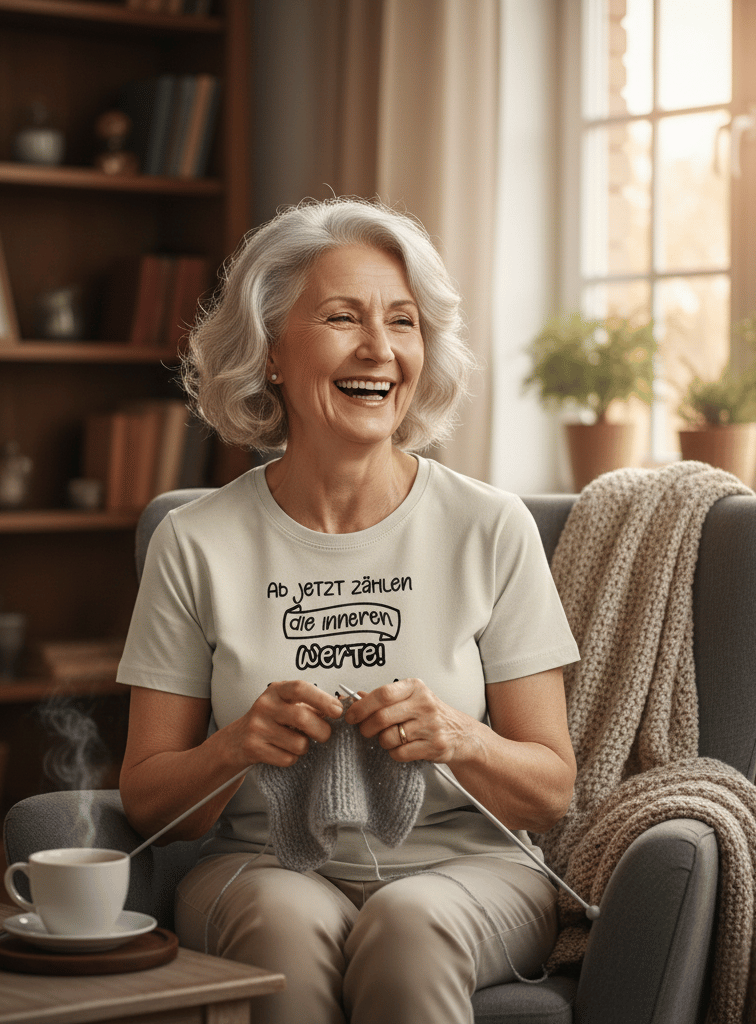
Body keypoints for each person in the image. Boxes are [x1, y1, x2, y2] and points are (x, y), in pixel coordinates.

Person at [117, 198, 580, 1024]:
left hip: (471, 873)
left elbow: (551, 791)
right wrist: (234, 748)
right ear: (268, 354)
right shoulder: (193, 541)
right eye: (342, 317)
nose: (380, 350)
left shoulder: (490, 525)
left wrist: (461, 736)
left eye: (403, 322)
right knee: (283, 923)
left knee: (409, 922)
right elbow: (148, 800)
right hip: (262, 868)